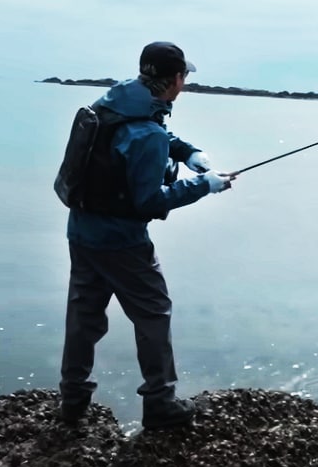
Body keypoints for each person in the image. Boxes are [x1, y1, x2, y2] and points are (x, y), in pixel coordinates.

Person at [58, 41, 233, 429]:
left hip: (81, 230)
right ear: (175, 80)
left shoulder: (114, 102)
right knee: (154, 314)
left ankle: (72, 403)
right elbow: (150, 202)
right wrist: (206, 186)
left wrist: (187, 152)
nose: (184, 84)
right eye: (184, 77)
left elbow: (140, 135)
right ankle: (160, 403)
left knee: (82, 318)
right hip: (123, 242)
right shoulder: (147, 133)